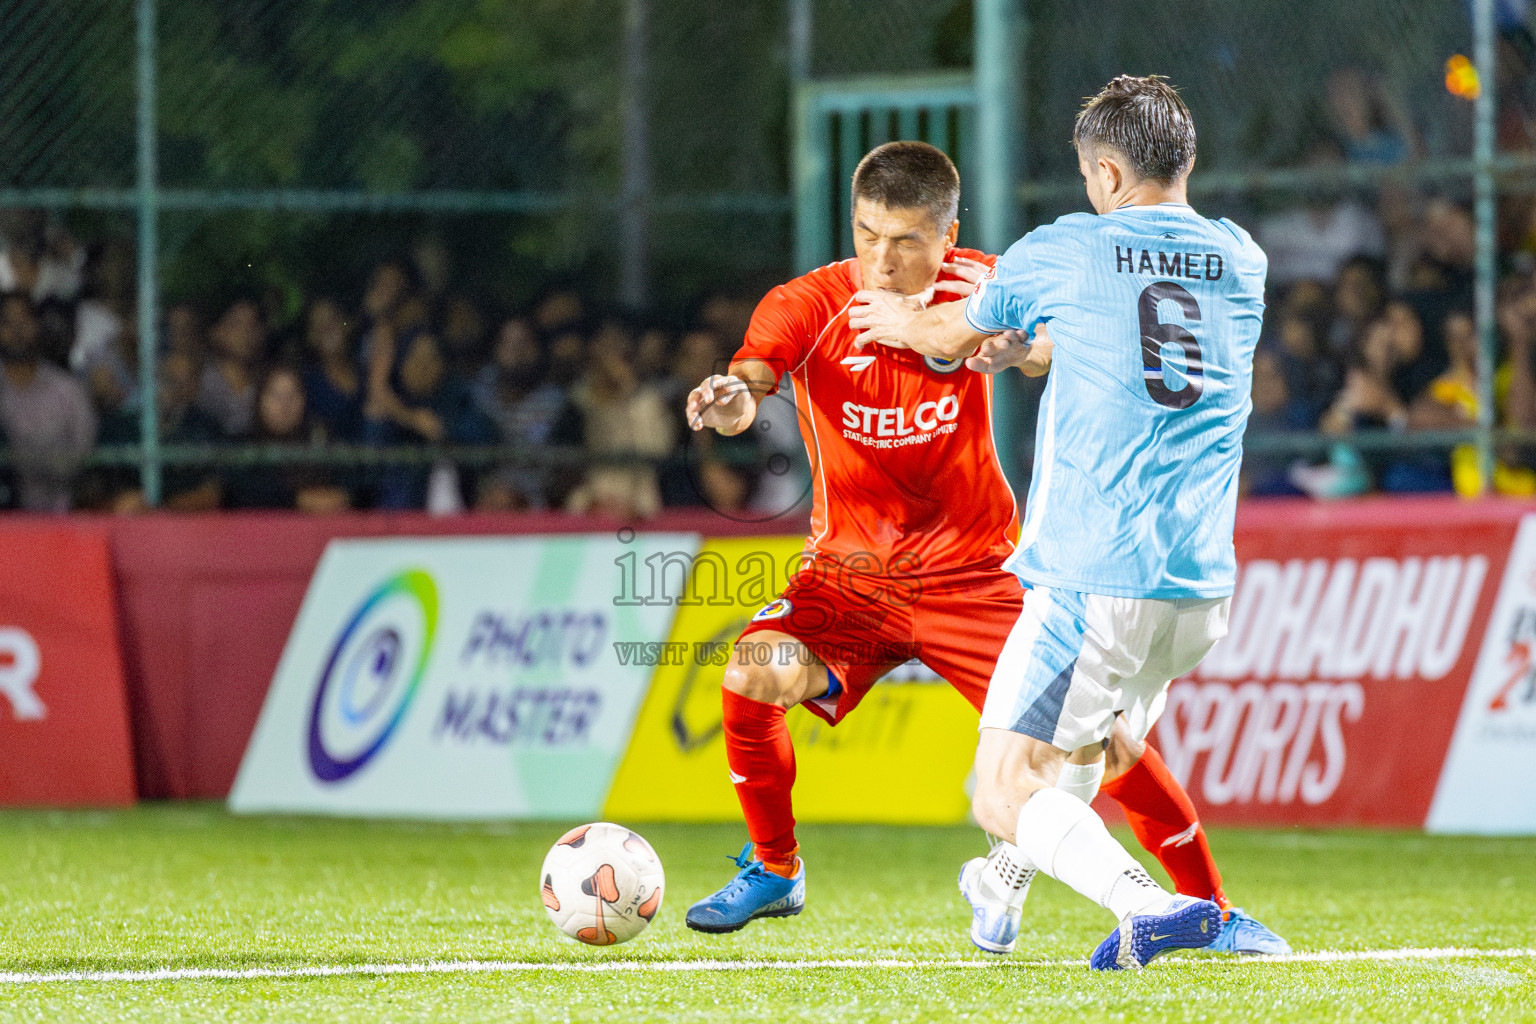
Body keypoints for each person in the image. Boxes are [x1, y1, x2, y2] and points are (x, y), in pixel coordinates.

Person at [686, 139, 1286, 960]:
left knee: (1106, 744)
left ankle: (1211, 909)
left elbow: (1053, 346)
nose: (883, 260)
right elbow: (748, 391)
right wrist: (726, 403)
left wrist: (1017, 350)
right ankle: (775, 866)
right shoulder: (807, 302)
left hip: (976, 574)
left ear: (948, 234)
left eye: (906, 241)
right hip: (850, 577)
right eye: (867, 235)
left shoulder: (986, 282)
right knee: (752, 669)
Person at [849, 77, 1272, 970]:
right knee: (1091, 748)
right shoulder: (1243, 259)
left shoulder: (1070, 247)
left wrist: (898, 318)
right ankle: (1000, 893)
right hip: (1197, 590)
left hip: (1092, 575)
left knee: (1000, 788)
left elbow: (949, 337)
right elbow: (1139, 341)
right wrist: (1038, 347)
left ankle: (1148, 905)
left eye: (1090, 175)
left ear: (1108, 171)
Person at [0, 292, 96, 511]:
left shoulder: (68, 390)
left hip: (58, 521)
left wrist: (26, 460)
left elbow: (82, 459)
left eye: (24, 321)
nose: (16, 331)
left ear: (37, 326)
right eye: (6, 322)